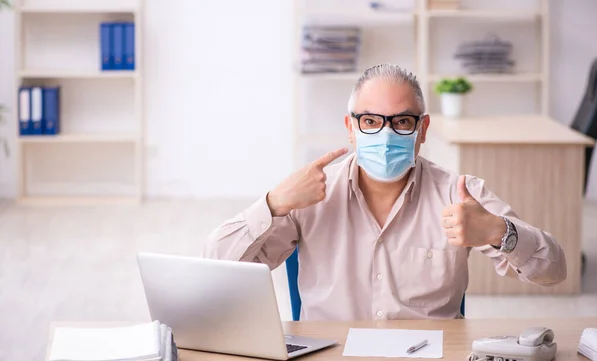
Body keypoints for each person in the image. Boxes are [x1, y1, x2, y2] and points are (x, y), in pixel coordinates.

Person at [202, 64, 566, 321]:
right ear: (351, 127)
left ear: (422, 130)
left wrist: (498, 232)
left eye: (402, 122)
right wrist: (274, 203)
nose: (386, 135)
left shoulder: (460, 193)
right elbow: (213, 270)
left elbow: (554, 270)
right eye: (371, 121)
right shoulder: (310, 194)